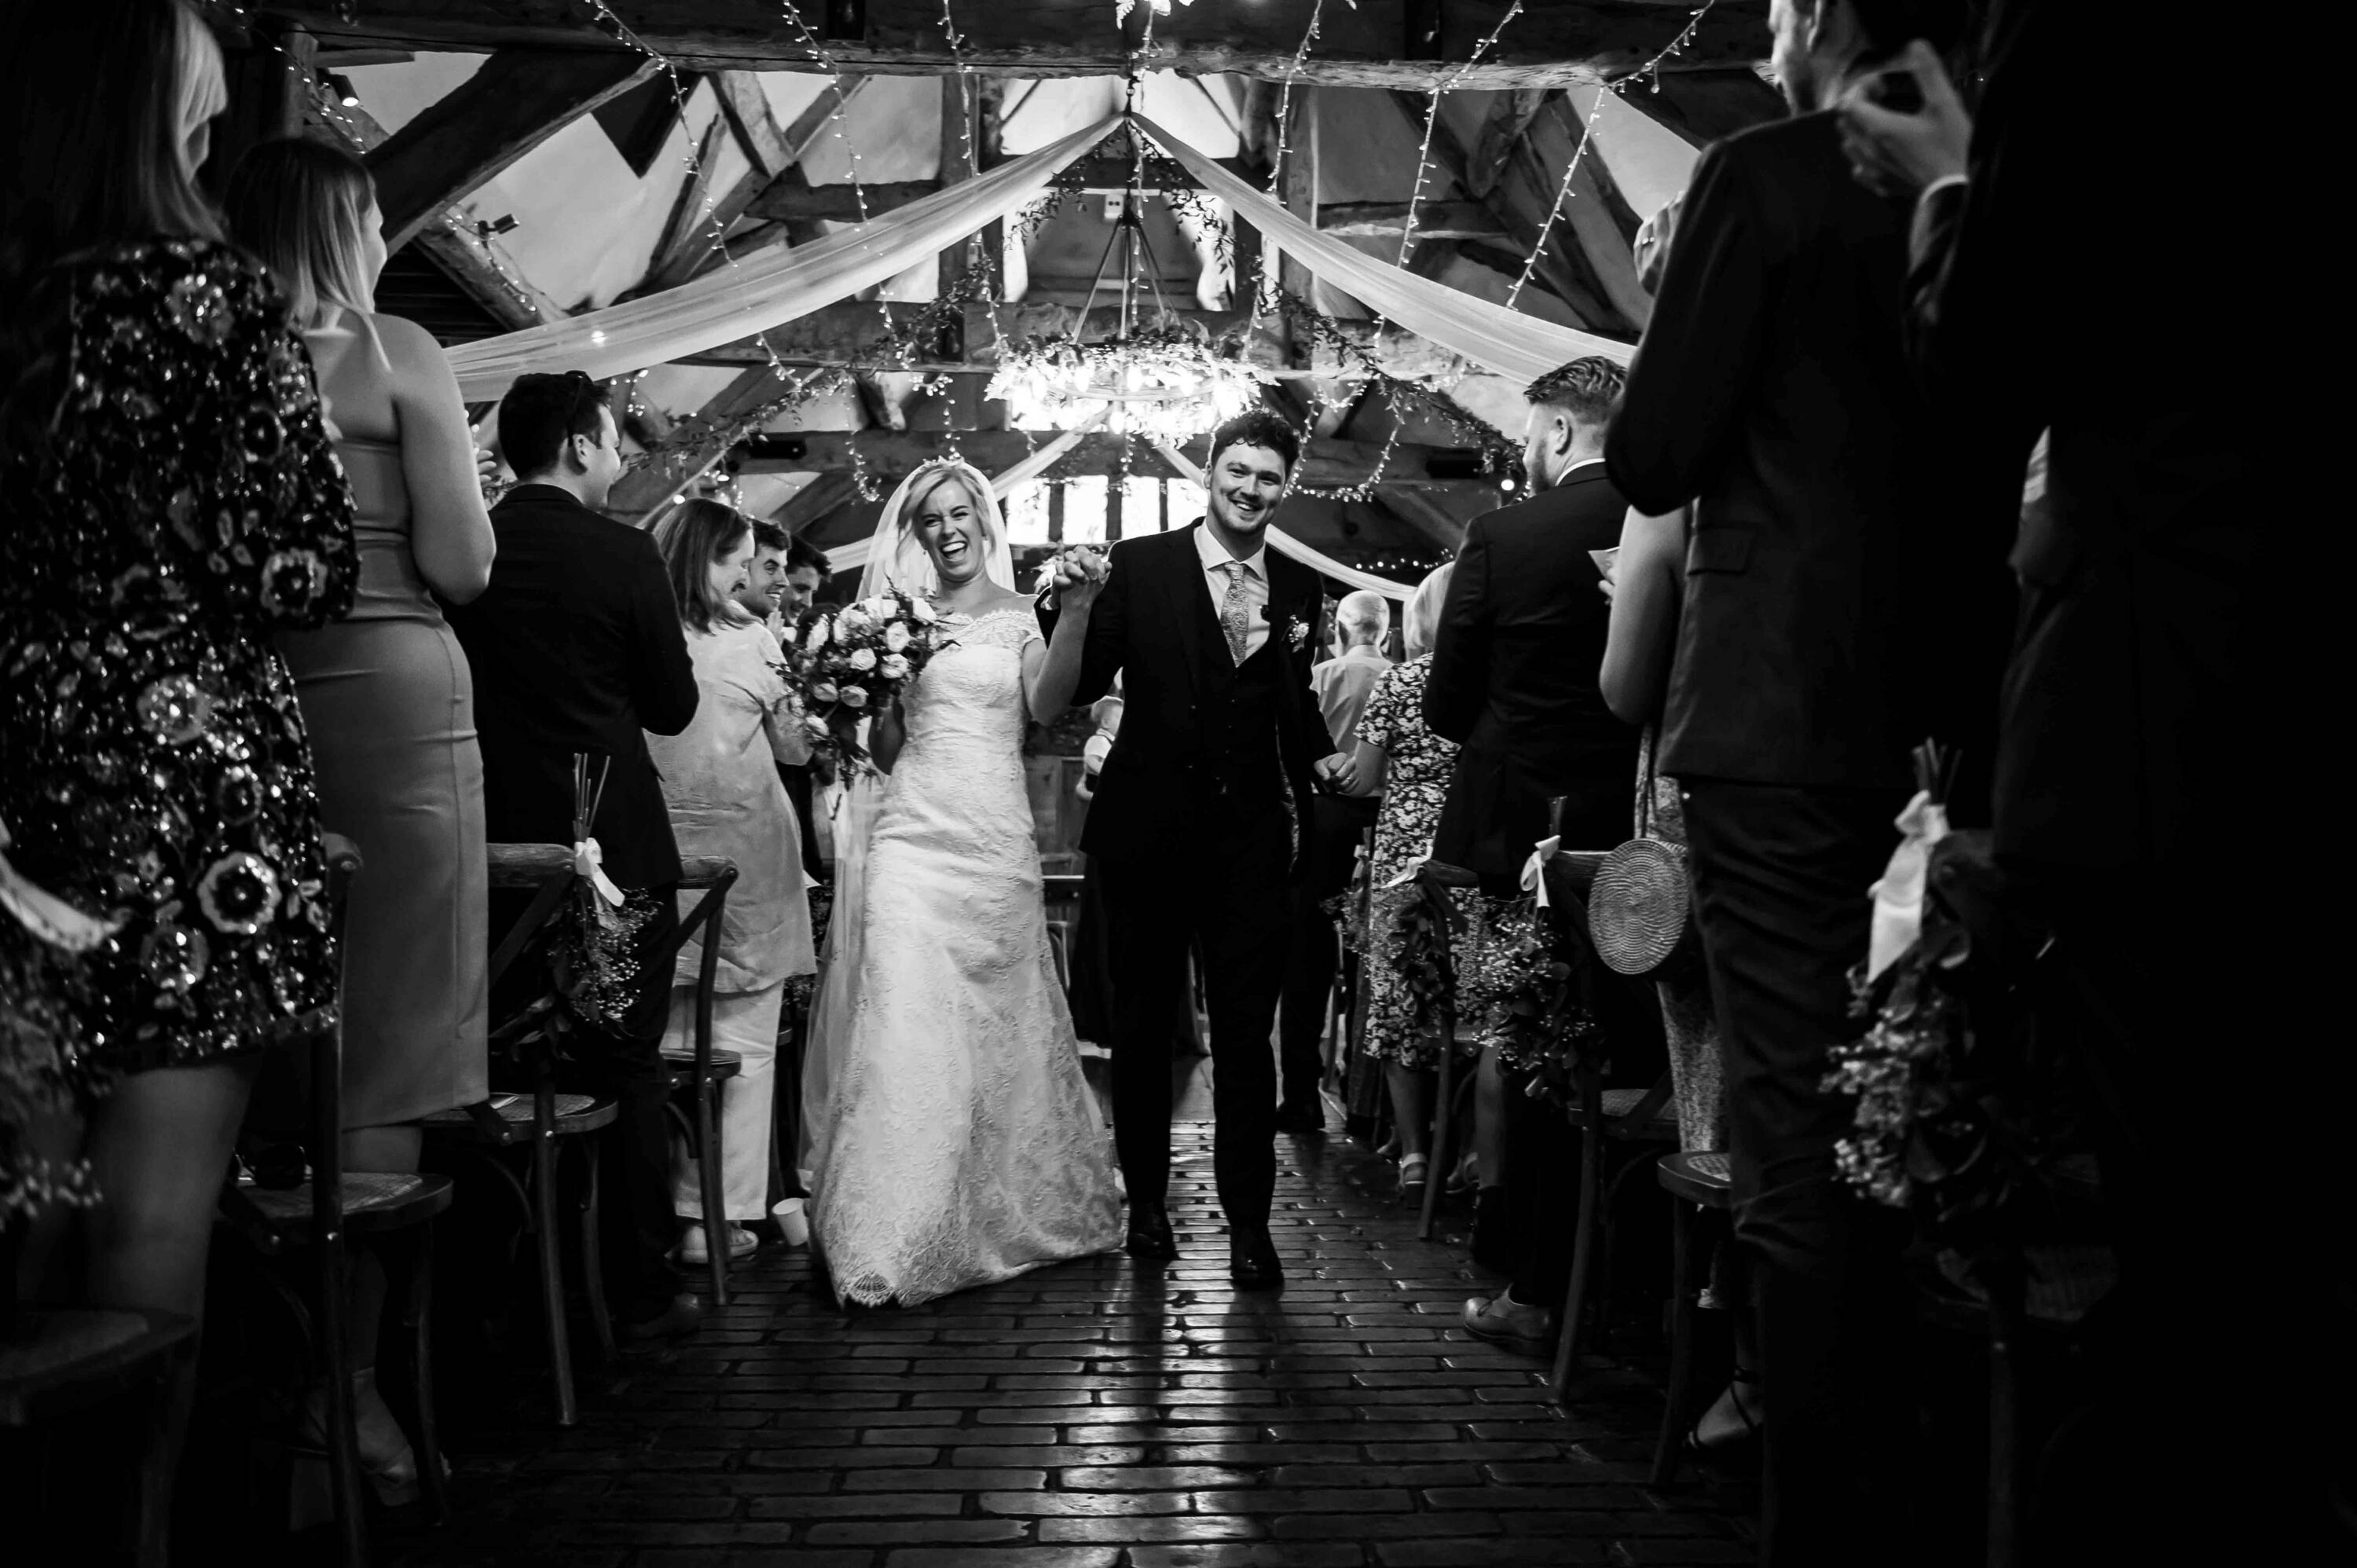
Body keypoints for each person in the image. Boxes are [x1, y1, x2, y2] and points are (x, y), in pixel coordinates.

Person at [1838, 16, 2293, 1560]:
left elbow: (1978, 382)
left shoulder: (2089, 39)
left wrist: (1952, 191)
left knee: (2202, 1274)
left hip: (2166, 708)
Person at [1603, 2, 2013, 1559]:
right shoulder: (1968, 181)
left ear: (1820, 23)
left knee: (1787, 1132)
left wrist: (1683, 317)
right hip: (1942, 725)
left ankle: (1823, 1519)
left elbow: (1652, 451)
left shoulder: (1763, 176)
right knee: (1902, 1109)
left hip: (1776, 712)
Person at [0, 0, 357, 1353]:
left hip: (20, 775)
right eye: (201, 108)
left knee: (31, 1200)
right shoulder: (206, 298)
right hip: (180, 780)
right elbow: (304, 570)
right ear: (157, 118)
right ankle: (132, 1527)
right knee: (149, 1225)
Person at [221, 134, 497, 1502]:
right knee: (387, 1049)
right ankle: (355, 1394)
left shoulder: (203, 353)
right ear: (345, 231)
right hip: (393, 705)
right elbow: (460, 559)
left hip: (239, 704)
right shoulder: (397, 353)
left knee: (246, 1026)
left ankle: (241, 1378)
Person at [1039, 410, 1354, 1291]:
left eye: (1267, 478)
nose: (1250, 491)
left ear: (1283, 486)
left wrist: (1320, 759)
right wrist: (1067, 600)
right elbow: (1085, 680)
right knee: (1141, 1029)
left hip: (1250, 841)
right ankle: (1144, 1204)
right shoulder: (1140, 565)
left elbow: (1290, 700)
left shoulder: (1297, 585)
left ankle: (1250, 1223)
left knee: (1246, 1036)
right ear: (1209, 473)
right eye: (1237, 473)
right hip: (1145, 833)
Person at [802, 460, 1120, 1306]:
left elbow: (1048, 707)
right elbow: (885, 751)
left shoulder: (1020, 617)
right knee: (906, 1021)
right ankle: (890, 1231)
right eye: (929, 517)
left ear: (983, 518)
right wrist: (859, 695)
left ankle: (997, 1208)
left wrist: (1078, 613)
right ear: (914, 531)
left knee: (1000, 1026)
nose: (947, 530)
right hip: (912, 839)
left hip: (993, 840)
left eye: (958, 513)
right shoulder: (896, 621)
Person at [442, 372, 704, 1342]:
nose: (623, 453)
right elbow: (673, 705)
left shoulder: (468, 547)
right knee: (625, 1058)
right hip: (613, 850)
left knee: (496, 1051)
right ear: (581, 446)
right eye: (612, 437)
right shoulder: (624, 553)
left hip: (491, 846)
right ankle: (629, 1275)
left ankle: (497, 1276)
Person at [646, 500, 816, 1269]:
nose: (746, 575)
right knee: (743, 1046)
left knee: (670, 1044)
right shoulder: (754, 641)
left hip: (667, 855)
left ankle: (673, 1211)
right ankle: (717, 1217)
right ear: (699, 557)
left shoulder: (644, 634)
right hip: (743, 854)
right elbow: (795, 747)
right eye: (734, 559)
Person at [1343, 566, 1461, 1201]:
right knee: (1469, 1005)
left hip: (1401, 858)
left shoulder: (1402, 681)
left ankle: (1416, 1153)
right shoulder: (1485, 681)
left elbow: (1362, 779)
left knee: (1398, 1004)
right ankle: (1468, 1148)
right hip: (1469, 850)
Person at [1277, 589, 1395, 1131]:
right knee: (1373, 964)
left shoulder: (1321, 676)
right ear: (1385, 633)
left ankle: (1301, 1096)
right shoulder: (1403, 677)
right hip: (1386, 828)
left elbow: (1293, 751)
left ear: (1340, 632)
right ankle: (1364, 1094)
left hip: (1324, 824)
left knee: (1307, 957)